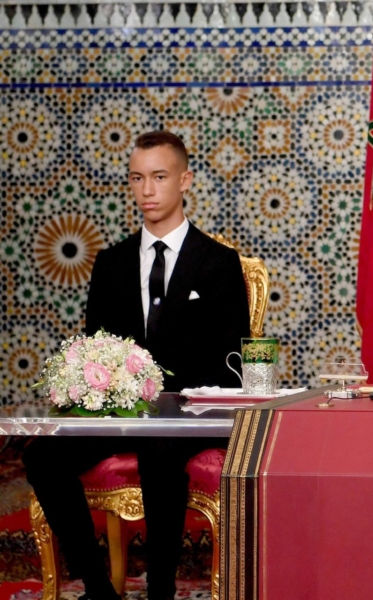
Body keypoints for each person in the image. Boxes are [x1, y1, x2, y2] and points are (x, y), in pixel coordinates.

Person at [23, 131, 249, 600]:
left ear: (184, 180)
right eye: (137, 178)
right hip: (121, 414)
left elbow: (232, 363)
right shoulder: (111, 263)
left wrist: (172, 401)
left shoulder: (219, 263)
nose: (147, 190)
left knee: (159, 451)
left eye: (159, 177)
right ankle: (98, 589)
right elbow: (96, 348)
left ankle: (160, 591)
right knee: (41, 456)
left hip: (187, 415)